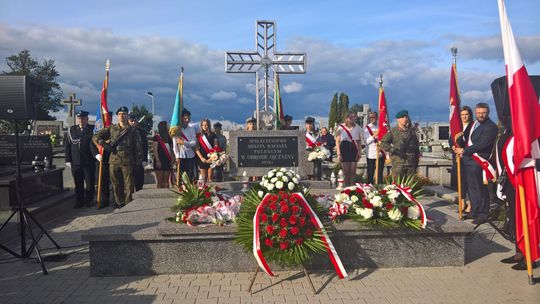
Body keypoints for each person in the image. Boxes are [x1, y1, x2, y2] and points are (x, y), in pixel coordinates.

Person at [455, 103, 498, 225]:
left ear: (488, 112)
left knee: (480, 188)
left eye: (483, 112)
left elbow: (482, 144)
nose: (481, 115)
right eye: (478, 112)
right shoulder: (475, 124)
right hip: (469, 160)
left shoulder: (491, 127)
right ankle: (474, 210)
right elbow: (468, 140)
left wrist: (464, 150)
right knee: (472, 187)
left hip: (479, 160)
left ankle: (483, 213)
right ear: (475, 112)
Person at [93, 106, 144, 208]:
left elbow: (138, 147)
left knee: (129, 185)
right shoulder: (112, 128)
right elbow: (96, 136)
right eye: (119, 114)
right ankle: (119, 204)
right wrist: (104, 144)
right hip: (114, 160)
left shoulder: (133, 131)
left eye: (124, 114)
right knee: (116, 185)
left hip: (128, 161)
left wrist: (138, 162)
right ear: (117, 116)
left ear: (127, 115)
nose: (121, 116)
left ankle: (128, 205)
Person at [64, 110, 96, 208]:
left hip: (89, 161)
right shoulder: (72, 130)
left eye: (83, 118)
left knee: (90, 183)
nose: (81, 120)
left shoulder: (93, 129)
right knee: (78, 183)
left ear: (87, 119)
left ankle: (89, 200)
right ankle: (79, 201)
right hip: (76, 162)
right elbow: (67, 146)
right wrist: (68, 159)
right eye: (79, 118)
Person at [380, 110, 420, 179]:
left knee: (409, 188)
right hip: (398, 164)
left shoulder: (412, 132)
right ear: (397, 119)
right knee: (398, 187)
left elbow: (416, 148)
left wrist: (416, 163)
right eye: (402, 117)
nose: (405, 119)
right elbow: (383, 143)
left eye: (406, 117)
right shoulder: (393, 131)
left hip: (411, 164)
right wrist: (395, 151)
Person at [451, 106, 474, 214]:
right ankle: (462, 202)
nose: (464, 117)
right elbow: (451, 139)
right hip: (457, 158)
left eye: (466, 114)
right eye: (462, 115)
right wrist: (452, 146)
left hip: (468, 157)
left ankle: (471, 204)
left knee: (469, 182)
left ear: (470, 115)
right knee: (460, 181)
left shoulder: (473, 126)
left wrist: (463, 150)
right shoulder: (457, 126)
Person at [91, 111, 113, 208]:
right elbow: (92, 143)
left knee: (115, 181)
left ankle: (117, 201)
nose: (108, 119)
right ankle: (104, 201)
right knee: (103, 182)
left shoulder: (114, 129)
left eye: (109, 117)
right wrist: (96, 154)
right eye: (106, 117)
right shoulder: (98, 129)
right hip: (101, 159)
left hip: (113, 159)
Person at [171, 108, 198, 181]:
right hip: (180, 156)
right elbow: (175, 145)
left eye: (189, 118)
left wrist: (184, 143)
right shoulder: (177, 130)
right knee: (180, 177)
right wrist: (177, 156)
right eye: (185, 118)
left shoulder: (191, 128)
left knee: (190, 177)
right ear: (181, 118)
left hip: (190, 155)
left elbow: (194, 143)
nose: (187, 120)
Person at [336, 112, 362, 186]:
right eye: (351, 117)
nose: (352, 119)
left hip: (354, 147)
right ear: (346, 118)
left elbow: (359, 141)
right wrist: (338, 153)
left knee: (353, 170)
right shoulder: (340, 127)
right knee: (346, 171)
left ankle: (352, 187)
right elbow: (337, 141)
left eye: (354, 117)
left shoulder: (358, 127)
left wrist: (359, 152)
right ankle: (346, 186)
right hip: (344, 147)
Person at [128, 113, 149, 191]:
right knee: (129, 183)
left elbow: (145, 146)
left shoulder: (141, 132)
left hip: (139, 160)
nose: (133, 122)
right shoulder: (124, 131)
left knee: (139, 182)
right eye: (131, 121)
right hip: (128, 160)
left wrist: (145, 159)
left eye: (135, 120)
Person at [363, 111, 385, 184]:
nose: (372, 119)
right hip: (371, 153)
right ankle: (369, 187)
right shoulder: (366, 128)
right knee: (370, 172)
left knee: (380, 172)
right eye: (371, 117)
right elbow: (367, 141)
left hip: (380, 152)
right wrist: (375, 135)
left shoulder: (381, 126)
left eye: (374, 117)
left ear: (377, 117)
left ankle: (380, 187)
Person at [196, 118, 218, 183]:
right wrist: (202, 158)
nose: (204, 127)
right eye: (203, 125)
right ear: (201, 126)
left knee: (210, 176)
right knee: (203, 177)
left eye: (206, 125)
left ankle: (210, 192)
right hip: (202, 159)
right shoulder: (199, 136)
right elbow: (196, 149)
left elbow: (216, 147)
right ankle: (204, 192)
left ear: (209, 125)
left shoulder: (213, 135)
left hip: (212, 158)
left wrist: (212, 158)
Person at [152, 121, 173, 188]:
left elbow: (172, 150)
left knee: (166, 181)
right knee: (160, 182)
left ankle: (166, 197)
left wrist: (173, 160)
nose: (169, 126)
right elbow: (155, 150)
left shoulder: (169, 138)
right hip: (159, 160)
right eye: (167, 125)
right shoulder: (156, 138)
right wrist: (157, 160)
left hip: (167, 160)